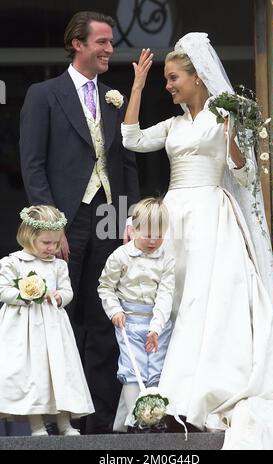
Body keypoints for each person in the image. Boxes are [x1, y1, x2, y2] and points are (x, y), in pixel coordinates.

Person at [121, 32, 273, 449]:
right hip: (174, 214)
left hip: (210, 213)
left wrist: (233, 138)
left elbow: (244, 175)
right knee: (171, 295)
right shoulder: (174, 124)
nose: (168, 86)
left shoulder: (221, 117)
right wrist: (137, 86)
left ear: (197, 77)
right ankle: (157, 392)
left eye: (172, 77)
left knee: (205, 298)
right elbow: (132, 139)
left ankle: (195, 388)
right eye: (164, 79)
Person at [19, 11, 140, 434]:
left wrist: (130, 218)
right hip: (63, 222)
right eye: (103, 42)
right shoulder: (43, 93)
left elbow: (126, 161)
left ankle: (101, 425)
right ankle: (56, 422)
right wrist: (51, 227)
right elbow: (33, 165)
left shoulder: (114, 97)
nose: (110, 50)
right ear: (78, 43)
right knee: (59, 323)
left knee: (105, 318)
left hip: (109, 216)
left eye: (110, 43)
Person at [0, 205, 94, 436]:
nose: (52, 248)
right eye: (46, 243)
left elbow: (67, 290)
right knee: (33, 373)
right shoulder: (13, 262)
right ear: (29, 237)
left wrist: (60, 296)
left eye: (55, 243)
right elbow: (3, 290)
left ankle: (64, 423)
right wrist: (28, 294)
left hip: (53, 327)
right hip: (25, 328)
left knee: (58, 371)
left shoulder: (59, 265)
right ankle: (37, 425)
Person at [98, 197, 175, 431]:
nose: (153, 241)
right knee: (133, 368)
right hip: (128, 321)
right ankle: (137, 419)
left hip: (155, 322)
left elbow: (165, 294)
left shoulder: (167, 260)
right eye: (147, 234)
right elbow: (106, 287)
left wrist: (156, 327)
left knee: (156, 369)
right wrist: (115, 311)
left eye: (159, 235)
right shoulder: (120, 256)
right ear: (133, 230)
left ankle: (154, 415)